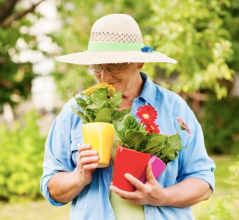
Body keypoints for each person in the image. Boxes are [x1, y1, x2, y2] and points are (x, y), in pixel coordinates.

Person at [41, 14, 215, 220]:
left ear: (140, 61)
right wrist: (78, 177)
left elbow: (203, 181)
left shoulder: (173, 108)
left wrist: (160, 197)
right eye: (98, 66)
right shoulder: (75, 111)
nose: (104, 77)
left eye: (115, 65)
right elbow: (51, 189)